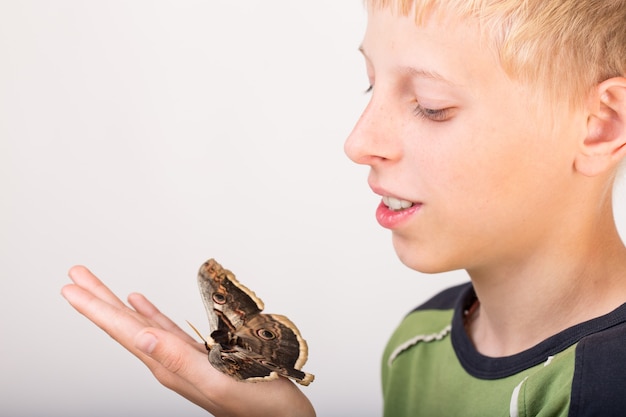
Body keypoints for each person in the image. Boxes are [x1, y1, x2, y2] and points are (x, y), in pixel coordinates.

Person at [62, 0, 626, 415]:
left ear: (600, 125)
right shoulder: (418, 341)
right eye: (369, 86)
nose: (359, 142)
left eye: (430, 106)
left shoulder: (607, 383)